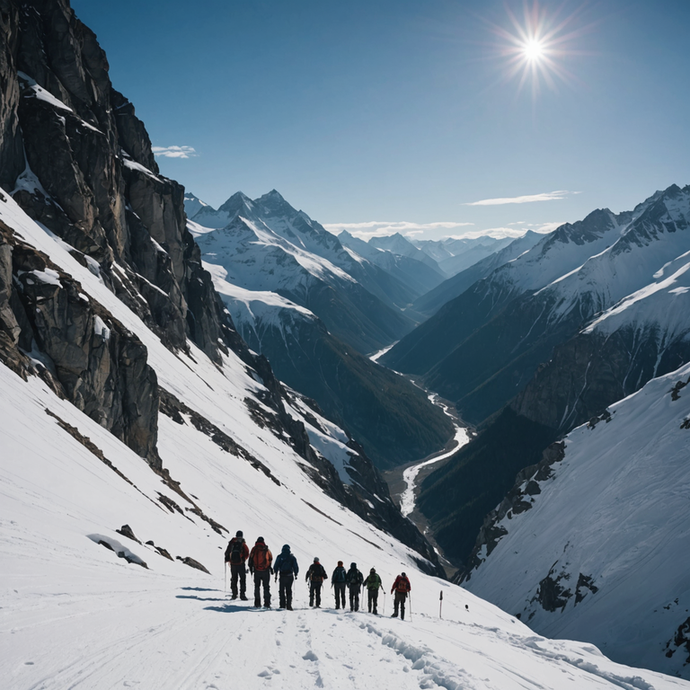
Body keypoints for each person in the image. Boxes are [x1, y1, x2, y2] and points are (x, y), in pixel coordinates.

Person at [248, 536, 273, 608]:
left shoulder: (254, 549)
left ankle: (257, 602)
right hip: (265, 571)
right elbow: (270, 558)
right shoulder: (266, 549)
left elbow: (250, 559)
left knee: (257, 587)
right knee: (266, 587)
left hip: (257, 571)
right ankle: (267, 603)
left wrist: (251, 568)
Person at [224, 530, 249, 600]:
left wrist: (228, 560)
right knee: (242, 579)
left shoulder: (232, 543)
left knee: (234, 579)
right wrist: (243, 559)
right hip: (240, 564)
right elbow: (247, 552)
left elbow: (227, 552)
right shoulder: (243, 543)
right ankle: (242, 595)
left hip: (233, 564)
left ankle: (234, 594)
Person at [273, 544, 299, 611]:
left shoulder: (279, 556)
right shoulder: (292, 557)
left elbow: (275, 566)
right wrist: (296, 573)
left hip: (282, 575)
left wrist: (275, 572)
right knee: (289, 590)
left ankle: (282, 605)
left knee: (281, 590)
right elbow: (295, 566)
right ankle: (289, 605)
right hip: (290, 576)